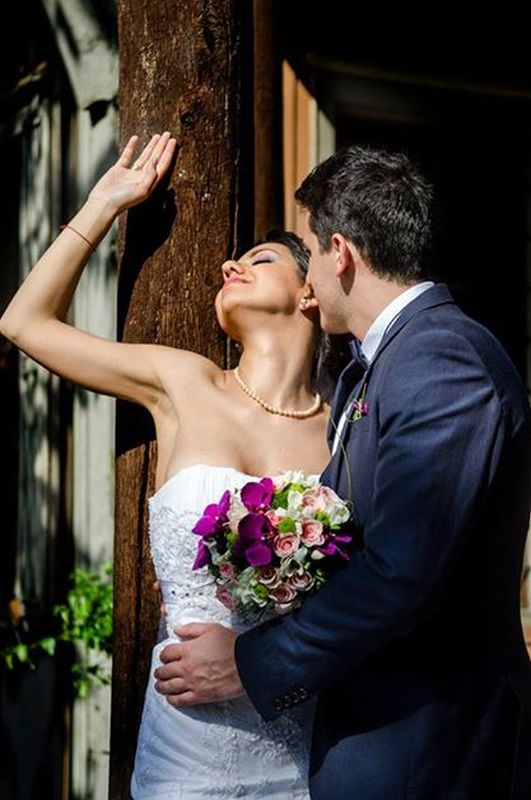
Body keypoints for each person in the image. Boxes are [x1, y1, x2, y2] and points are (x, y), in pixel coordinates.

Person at [153, 145, 531, 799]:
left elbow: (400, 570)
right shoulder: (381, 366)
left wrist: (248, 665)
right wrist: (235, 585)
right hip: (369, 736)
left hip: (425, 747)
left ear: (339, 253)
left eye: (307, 252)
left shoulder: (440, 358)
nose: (309, 280)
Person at [0, 131, 354, 798]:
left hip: (305, 754)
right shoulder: (183, 382)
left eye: (261, 258)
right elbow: (24, 323)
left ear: (311, 292)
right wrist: (104, 204)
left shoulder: (346, 427)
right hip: (184, 757)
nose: (230, 265)